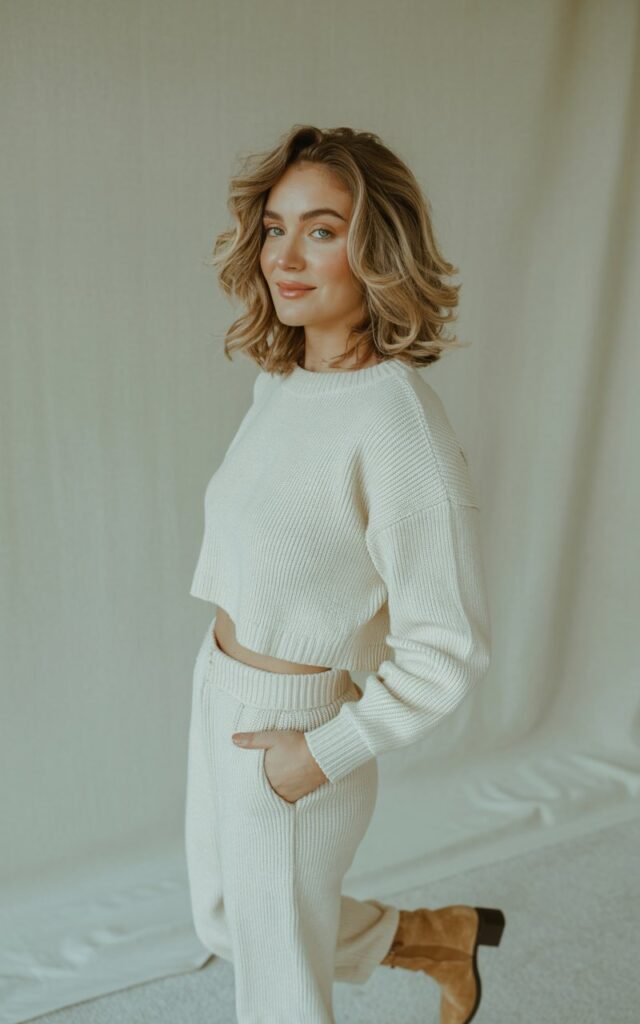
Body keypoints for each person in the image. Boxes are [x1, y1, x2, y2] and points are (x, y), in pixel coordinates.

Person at [184, 124, 506, 1024]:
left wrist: (318, 755)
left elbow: (450, 650)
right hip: (220, 692)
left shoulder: (399, 424)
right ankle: (433, 937)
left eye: (321, 230)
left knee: (278, 992)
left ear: (377, 248)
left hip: (290, 730)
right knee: (224, 916)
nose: (286, 256)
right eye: (276, 227)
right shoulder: (282, 385)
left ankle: (420, 939)